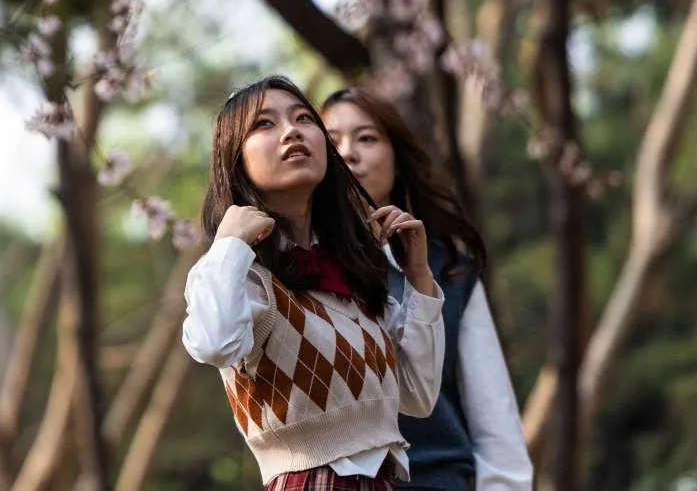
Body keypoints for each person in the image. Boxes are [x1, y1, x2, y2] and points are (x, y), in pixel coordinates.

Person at [182, 75, 446, 491]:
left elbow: (417, 395)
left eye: (304, 118)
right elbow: (213, 344)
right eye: (264, 123)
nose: (292, 131)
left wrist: (419, 278)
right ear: (235, 158)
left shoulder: (353, 273)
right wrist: (230, 244)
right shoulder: (241, 274)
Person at [321, 87, 533, 491]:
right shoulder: (294, 266)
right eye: (332, 142)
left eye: (367, 138)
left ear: (397, 161)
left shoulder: (449, 268)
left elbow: (494, 416)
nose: (348, 153)